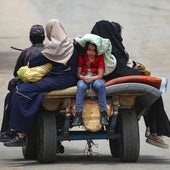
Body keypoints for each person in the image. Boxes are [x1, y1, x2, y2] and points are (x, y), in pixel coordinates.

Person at [91, 20, 170, 149]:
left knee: (154, 89)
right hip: (120, 81)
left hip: (109, 83)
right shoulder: (113, 51)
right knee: (155, 91)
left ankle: (153, 130)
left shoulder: (92, 49)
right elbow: (120, 69)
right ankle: (154, 131)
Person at [3, 19, 78, 147]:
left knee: (21, 90)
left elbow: (34, 62)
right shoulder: (70, 44)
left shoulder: (54, 46)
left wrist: (31, 63)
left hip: (58, 80)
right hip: (70, 79)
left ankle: (20, 134)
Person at [0, 24, 45, 142]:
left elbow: (16, 73)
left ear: (30, 38)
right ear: (44, 37)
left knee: (11, 95)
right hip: (46, 84)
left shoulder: (26, 52)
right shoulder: (49, 51)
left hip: (29, 86)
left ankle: (7, 131)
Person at [72, 42, 108, 126]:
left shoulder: (99, 57)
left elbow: (100, 75)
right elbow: (78, 74)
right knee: (80, 86)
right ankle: (78, 114)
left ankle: (103, 113)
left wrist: (91, 78)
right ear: (86, 50)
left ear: (96, 51)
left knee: (100, 85)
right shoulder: (82, 57)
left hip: (96, 78)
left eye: (93, 50)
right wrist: (83, 77)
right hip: (84, 79)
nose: (91, 52)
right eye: (89, 50)